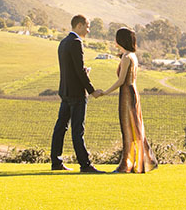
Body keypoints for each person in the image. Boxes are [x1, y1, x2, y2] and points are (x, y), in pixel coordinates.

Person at [98, 27, 158, 173]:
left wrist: (104, 92)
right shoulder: (131, 56)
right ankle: (142, 161)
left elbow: (121, 81)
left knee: (128, 129)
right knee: (135, 128)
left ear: (120, 40)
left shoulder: (126, 58)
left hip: (127, 94)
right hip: (132, 93)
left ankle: (128, 164)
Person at [50, 14, 103, 173]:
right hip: (76, 94)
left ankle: (56, 161)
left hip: (65, 91)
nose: (88, 30)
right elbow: (79, 71)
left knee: (60, 127)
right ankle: (85, 165)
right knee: (77, 130)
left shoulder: (63, 42)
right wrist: (92, 91)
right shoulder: (76, 43)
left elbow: (70, 69)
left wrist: (83, 71)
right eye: (87, 26)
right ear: (79, 26)